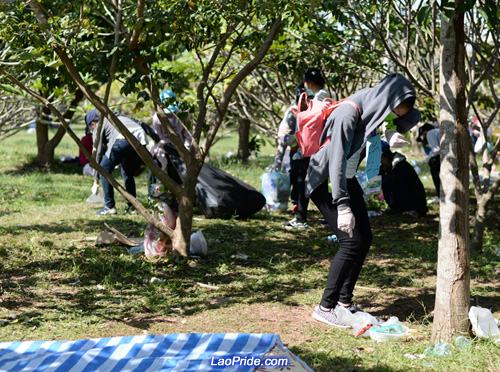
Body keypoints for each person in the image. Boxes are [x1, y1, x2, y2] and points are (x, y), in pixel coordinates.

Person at [306, 73, 420, 327]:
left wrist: (391, 129)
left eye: (398, 115)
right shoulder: (348, 115)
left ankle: (344, 303)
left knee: (364, 238)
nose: (397, 117)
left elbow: (406, 116)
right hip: (325, 180)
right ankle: (326, 307)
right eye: (395, 112)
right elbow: (335, 161)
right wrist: (342, 205)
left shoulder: (375, 103)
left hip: (345, 178)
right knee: (350, 241)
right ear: (387, 100)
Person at [282, 68, 330, 230]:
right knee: (318, 183)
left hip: (315, 147)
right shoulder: (322, 95)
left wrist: (303, 105)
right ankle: (327, 216)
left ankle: (302, 218)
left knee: (305, 181)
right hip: (317, 147)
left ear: (308, 83)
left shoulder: (321, 96)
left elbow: (314, 119)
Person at [85, 109, 148, 215]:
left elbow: (98, 153)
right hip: (141, 137)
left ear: (92, 124)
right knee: (126, 171)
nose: (91, 131)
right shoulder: (115, 117)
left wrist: (96, 181)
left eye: (90, 129)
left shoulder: (99, 125)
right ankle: (132, 207)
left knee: (104, 169)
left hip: (123, 138)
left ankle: (109, 206)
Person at [380, 141, 428, 218]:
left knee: (397, 185)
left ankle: (412, 210)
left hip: (414, 196)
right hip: (401, 196)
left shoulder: (400, 165)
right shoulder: (384, 166)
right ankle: (394, 207)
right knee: (384, 182)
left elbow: (398, 183)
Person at [416, 123, 440, 202]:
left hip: (438, 158)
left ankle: (440, 196)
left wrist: (425, 161)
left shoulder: (430, 133)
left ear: (425, 132)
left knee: (435, 176)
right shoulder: (437, 131)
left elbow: (436, 149)